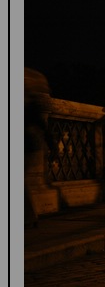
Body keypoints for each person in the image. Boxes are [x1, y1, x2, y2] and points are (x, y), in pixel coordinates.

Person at [24, 68, 58, 228]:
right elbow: (43, 126)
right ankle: (29, 217)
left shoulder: (29, 103)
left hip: (27, 145)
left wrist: (52, 146)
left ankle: (29, 217)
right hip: (31, 145)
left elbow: (42, 125)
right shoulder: (31, 103)